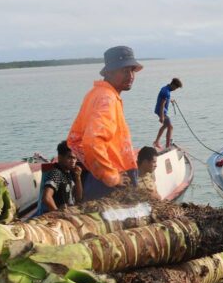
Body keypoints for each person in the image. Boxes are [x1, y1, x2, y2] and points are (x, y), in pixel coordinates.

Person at [67, 46, 141, 201]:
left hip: (99, 179)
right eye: (124, 70)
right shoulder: (107, 99)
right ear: (108, 72)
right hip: (113, 183)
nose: (131, 75)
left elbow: (74, 140)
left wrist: (95, 170)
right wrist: (111, 177)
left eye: (132, 70)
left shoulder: (96, 94)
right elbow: (92, 142)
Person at [33, 141, 83, 216]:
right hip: (57, 217)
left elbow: (79, 198)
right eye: (69, 157)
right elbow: (46, 198)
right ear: (60, 157)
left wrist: (78, 178)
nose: (73, 161)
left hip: (69, 213)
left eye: (75, 158)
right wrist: (58, 215)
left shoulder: (69, 173)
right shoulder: (56, 173)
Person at [153, 78, 183, 150]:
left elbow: (165, 99)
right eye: (176, 88)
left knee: (165, 125)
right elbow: (162, 104)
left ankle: (156, 142)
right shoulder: (166, 92)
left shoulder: (166, 88)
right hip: (161, 111)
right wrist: (162, 117)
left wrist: (170, 100)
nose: (175, 89)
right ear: (173, 84)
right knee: (170, 127)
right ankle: (167, 146)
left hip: (161, 110)